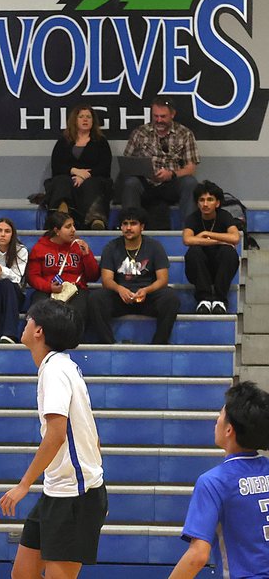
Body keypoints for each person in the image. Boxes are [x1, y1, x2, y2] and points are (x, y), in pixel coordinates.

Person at [0, 299, 107, 579]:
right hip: (57, 489)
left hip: (76, 496)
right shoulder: (60, 365)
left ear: (39, 331)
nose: (25, 323)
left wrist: (23, 485)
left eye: (29, 320)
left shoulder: (55, 371)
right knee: (23, 574)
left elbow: (57, 435)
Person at [169, 381, 269, 579]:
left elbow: (197, 556)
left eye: (220, 415)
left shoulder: (214, 482)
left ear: (229, 430)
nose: (216, 420)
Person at [87, 207, 180, 344]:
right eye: (125, 224)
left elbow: (163, 279)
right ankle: (108, 344)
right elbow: (106, 280)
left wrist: (146, 290)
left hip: (146, 297)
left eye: (133, 224)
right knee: (95, 298)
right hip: (121, 297)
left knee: (171, 298)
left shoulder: (154, 246)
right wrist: (120, 289)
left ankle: (159, 344)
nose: (128, 228)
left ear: (142, 227)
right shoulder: (111, 247)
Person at [120, 96, 199, 229]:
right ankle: (131, 227)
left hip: (171, 184)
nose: (159, 120)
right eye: (155, 116)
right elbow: (127, 162)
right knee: (130, 183)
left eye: (163, 116)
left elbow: (191, 168)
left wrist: (171, 174)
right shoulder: (140, 133)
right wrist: (142, 170)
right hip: (145, 183)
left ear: (172, 114)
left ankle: (189, 229)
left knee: (190, 182)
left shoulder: (185, 134)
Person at [26, 211, 99, 326]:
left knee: (77, 312)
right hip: (48, 289)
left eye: (73, 225)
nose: (73, 230)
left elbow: (93, 276)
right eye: (68, 227)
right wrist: (48, 287)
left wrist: (87, 255)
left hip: (76, 289)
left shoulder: (79, 246)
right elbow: (33, 276)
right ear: (56, 231)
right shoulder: (40, 248)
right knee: (39, 308)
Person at [45, 104, 112, 230]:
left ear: (93, 121)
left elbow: (104, 167)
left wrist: (85, 175)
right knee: (62, 182)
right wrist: (74, 171)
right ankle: (61, 218)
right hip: (68, 178)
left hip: (93, 178)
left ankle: (96, 220)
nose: (85, 119)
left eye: (88, 117)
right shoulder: (63, 141)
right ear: (74, 120)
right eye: (81, 117)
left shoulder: (101, 142)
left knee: (92, 184)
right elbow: (57, 165)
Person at [182, 180, 240, 315]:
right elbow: (187, 239)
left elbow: (235, 238)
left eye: (210, 199)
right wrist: (219, 240)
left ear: (217, 203)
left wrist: (207, 234)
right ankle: (204, 299)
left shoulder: (224, 216)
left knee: (228, 252)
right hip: (199, 270)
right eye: (201, 200)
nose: (205, 204)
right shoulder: (192, 218)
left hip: (220, 268)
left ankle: (220, 300)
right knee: (194, 251)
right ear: (197, 203)